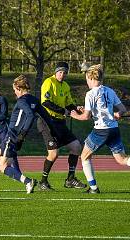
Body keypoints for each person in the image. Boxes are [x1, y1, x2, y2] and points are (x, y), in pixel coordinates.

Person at [70, 64, 130, 193]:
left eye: (86, 79)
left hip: (101, 131)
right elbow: (122, 109)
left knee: (84, 157)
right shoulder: (109, 91)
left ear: (90, 78)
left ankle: (93, 188)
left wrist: (75, 115)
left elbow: (86, 117)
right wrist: (116, 114)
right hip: (113, 129)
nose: (86, 82)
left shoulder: (90, 94)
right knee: (122, 159)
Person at [0, 75, 56, 194]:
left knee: (4, 167)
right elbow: (46, 116)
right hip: (15, 136)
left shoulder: (22, 101)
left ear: (19, 88)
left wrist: (22, 133)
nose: (14, 92)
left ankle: (27, 181)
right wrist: (53, 131)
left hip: (12, 135)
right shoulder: (34, 99)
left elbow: (30, 115)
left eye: (15, 90)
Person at [37, 61, 87, 190]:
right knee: (54, 154)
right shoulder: (49, 82)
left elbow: (69, 104)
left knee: (76, 147)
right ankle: (43, 181)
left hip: (60, 122)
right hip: (47, 122)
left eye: (65, 72)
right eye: (60, 72)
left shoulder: (65, 86)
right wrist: (62, 111)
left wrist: (77, 108)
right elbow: (45, 103)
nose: (62, 74)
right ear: (56, 72)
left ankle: (70, 179)